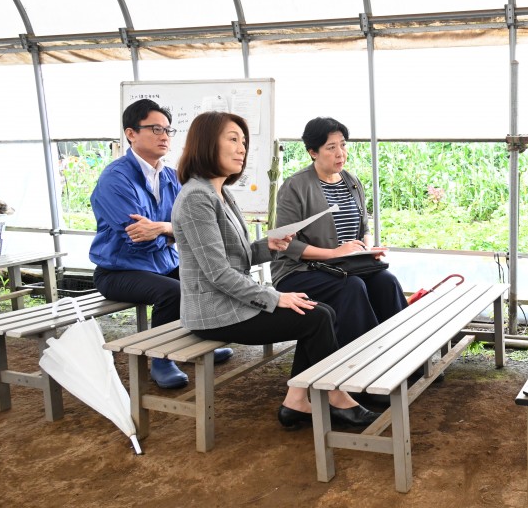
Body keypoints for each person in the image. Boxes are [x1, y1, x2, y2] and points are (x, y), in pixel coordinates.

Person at [170, 111, 378, 428]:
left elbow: (238, 256)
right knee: (318, 316)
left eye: (243, 141)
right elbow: (217, 273)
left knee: (318, 313)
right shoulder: (197, 197)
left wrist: (272, 245)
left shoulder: (220, 192)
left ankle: (296, 402)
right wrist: (273, 297)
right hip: (213, 312)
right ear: (207, 143)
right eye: (232, 139)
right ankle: (333, 397)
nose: (242, 149)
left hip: (229, 302)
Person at [89, 98, 232, 389]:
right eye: (155, 129)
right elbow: (137, 238)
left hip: (161, 263)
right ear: (131, 133)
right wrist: (171, 234)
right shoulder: (115, 179)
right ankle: (161, 359)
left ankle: (201, 337)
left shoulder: (170, 176)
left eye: (168, 130)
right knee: (173, 292)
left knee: (208, 277)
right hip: (119, 271)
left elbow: (194, 227)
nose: (164, 136)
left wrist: (163, 229)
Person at [271, 117, 407, 347]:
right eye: (331, 147)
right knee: (353, 286)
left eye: (343, 145)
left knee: (386, 281)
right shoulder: (295, 186)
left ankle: (405, 351)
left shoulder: (350, 180)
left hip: (344, 266)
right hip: (299, 271)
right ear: (313, 152)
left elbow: (364, 226)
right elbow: (285, 243)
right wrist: (334, 253)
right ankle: (363, 360)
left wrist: (366, 248)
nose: (340, 154)